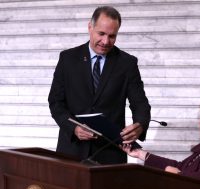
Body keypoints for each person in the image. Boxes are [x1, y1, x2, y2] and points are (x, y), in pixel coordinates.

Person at [48, 6, 151, 164]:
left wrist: (140, 124)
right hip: (71, 150)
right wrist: (73, 128)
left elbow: (141, 104)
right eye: (101, 34)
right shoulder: (67, 59)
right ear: (90, 27)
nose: (105, 41)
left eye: (112, 36)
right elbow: (55, 102)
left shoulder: (127, 63)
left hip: (110, 154)